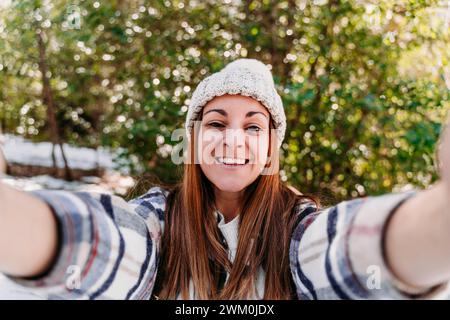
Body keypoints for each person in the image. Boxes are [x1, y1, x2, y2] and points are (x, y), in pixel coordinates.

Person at [1, 59, 450, 300]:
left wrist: (439, 215)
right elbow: (108, 247)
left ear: (271, 148)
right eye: (216, 123)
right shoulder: (159, 218)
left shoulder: (297, 225)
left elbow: (346, 255)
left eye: (254, 127)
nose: (234, 140)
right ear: (193, 140)